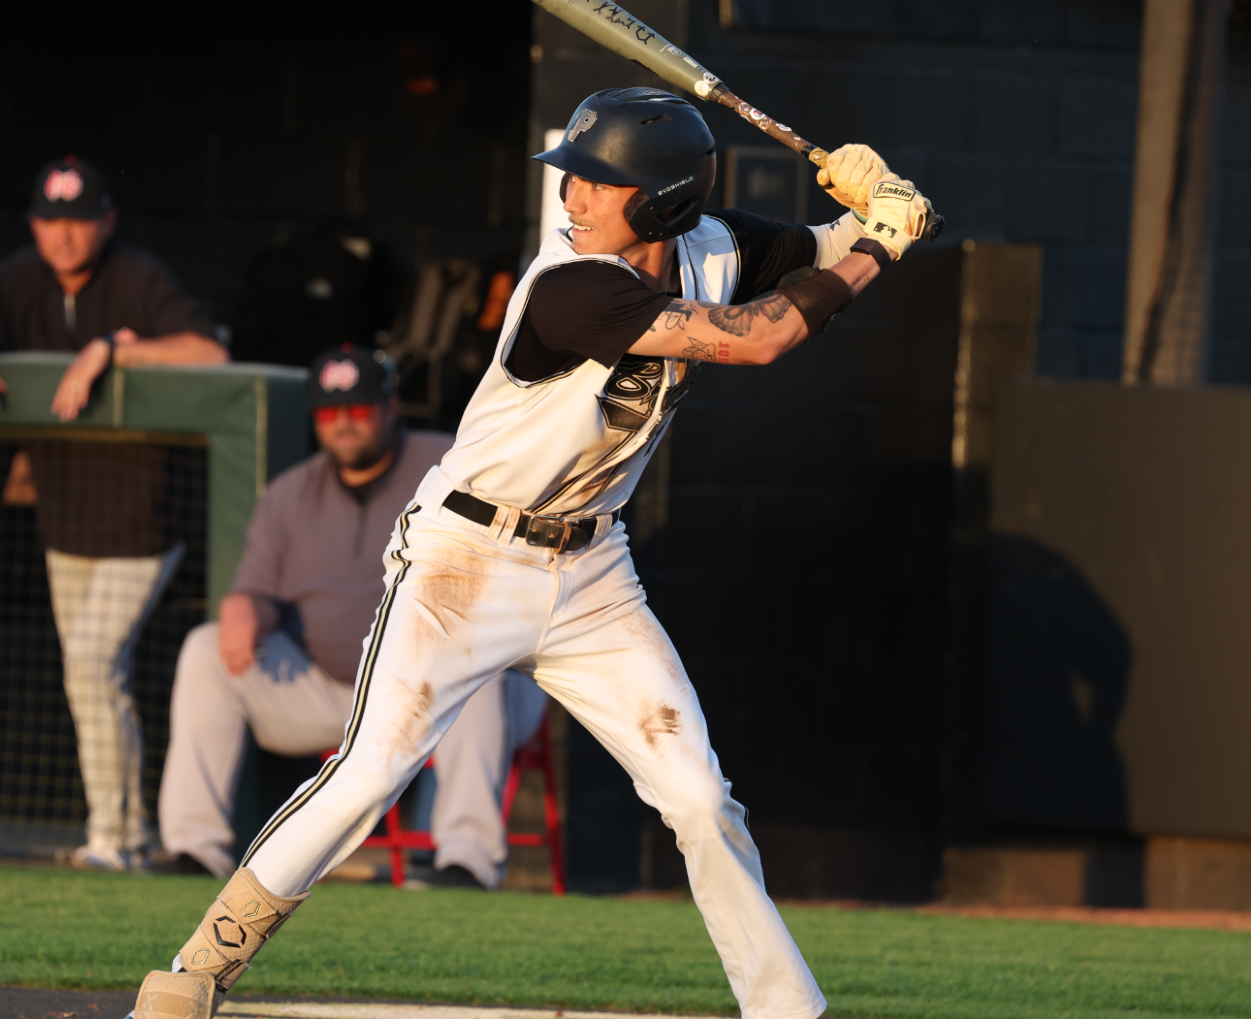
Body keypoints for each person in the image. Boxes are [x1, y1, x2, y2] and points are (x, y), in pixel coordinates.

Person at [125, 87, 934, 1019]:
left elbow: (824, 258)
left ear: (664, 201)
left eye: (598, 182)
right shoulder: (566, 286)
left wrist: (869, 208)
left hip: (593, 571)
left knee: (701, 798)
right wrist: (882, 243)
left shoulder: (716, 244)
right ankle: (194, 974)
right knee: (370, 772)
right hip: (467, 557)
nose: (573, 198)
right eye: (576, 178)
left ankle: (787, 1010)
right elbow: (766, 336)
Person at [0, 156, 227, 871]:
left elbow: (208, 350)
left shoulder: (136, 276)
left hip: (143, 518)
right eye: (52, 220)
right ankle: (121, 833)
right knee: (85, 672)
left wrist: (114, 349)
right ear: (34, 225)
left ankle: (113, 838)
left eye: (79, 220)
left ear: (106, 222)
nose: (64, 235)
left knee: (90, 664)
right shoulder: (18, 279)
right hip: (64, 512)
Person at [155, 344, 547, 886]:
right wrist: (246, 606)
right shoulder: (288, 494)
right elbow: (257, 594)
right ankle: (195, 850)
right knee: (205, 649)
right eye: (329, 411)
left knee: (474, 665)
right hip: (333, 689)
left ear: (389, 407)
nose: (344, 423)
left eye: (358, 408)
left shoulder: (452, 467)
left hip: (443, 690)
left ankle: (468, 861)